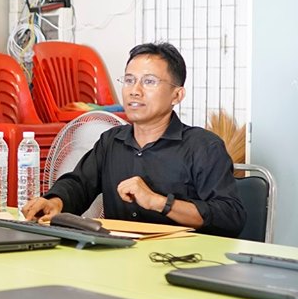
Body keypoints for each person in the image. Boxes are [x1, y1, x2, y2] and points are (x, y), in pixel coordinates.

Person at [22, 42, 245, 237]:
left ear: (177, 95)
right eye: (129, 80)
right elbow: (78, 184)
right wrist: (54, 202)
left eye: (149, 81)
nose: (134, 91)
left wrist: (159, 202)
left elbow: (230, 217)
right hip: (119, 257)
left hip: (182, 260)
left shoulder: (204, 147)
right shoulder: (111, 141)